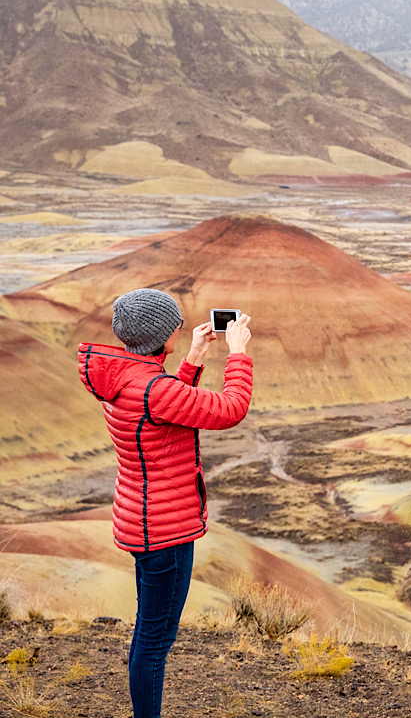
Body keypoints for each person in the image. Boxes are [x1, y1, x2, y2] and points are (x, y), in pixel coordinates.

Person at [77, 289, 254, 718]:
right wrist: (238, 353)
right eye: (175, 324)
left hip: (141, 519)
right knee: (155, 640)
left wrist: (192, 357)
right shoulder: (152, 388)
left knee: (148, 631)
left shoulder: (124, 376)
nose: (180, 327)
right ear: (160, 334)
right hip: (166, 530)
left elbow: (164, 409)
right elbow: (230, 410)